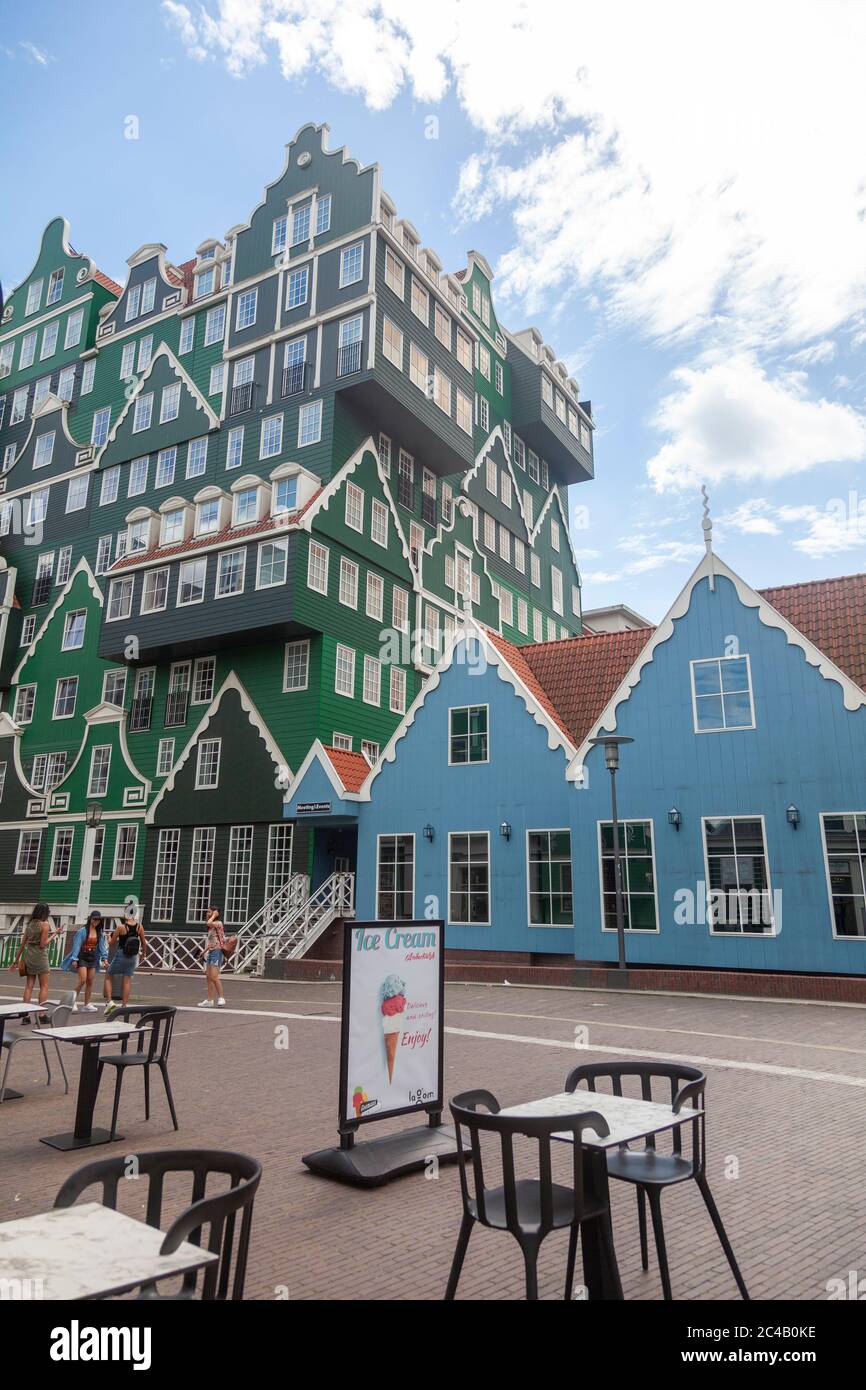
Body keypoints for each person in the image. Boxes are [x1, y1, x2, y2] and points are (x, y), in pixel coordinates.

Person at [9, 904, 62, 1021]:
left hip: (29, 956)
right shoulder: (45, 925)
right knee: (44, 986)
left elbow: (22, 944)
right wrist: (55, 934)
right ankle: (41, 1015)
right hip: (40, 957)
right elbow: (43, 944)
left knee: (29, 987)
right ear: (44, 913)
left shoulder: (30, 925)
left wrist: (15, 961)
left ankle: (25, 1015)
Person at [61, 910, 108, 1011]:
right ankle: (71, 1002)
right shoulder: (82, 931)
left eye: (98, 920)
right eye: (94, 919)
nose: (96, 921)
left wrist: (105, 958)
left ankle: (87, 1004)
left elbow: (102, 946)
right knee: (82, 979)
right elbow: (76, 945)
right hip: (82, 956)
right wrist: (74, 959)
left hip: (93, 957)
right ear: (90, 919)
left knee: (90, 981)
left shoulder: (99, 932)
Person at [103, 908, 146, 1015]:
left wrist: (108, 938)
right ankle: (124, 1005)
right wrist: (144, 954)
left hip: (121, 954)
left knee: (109, 975)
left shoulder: (120, 927)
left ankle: (109, 1002)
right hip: (133, 956)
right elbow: (144, 943)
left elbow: (112, 943)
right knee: (127, 980)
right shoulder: (140, 927)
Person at [199, 906, 226, 1008]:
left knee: (214, 976)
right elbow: (211, 942)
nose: (207, 913)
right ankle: (210, 1000)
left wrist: (214, 914)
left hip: (217, 952)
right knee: (208, 977)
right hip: (211, 952)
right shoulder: (211, 927)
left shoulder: (218, 923)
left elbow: (209, 922)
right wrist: (204, 951)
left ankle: (222, 997)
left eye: (209, 912)